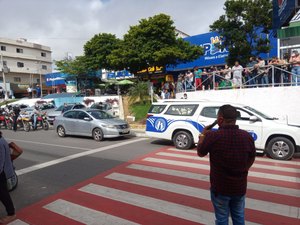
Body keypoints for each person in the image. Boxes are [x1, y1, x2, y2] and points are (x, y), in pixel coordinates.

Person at [197, 104, 256, 225]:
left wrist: (203, 135)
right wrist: (244, 169)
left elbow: (200, 152)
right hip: (239, 187)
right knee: (239, 217)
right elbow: (252, 157)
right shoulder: (246, 136)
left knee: (222, 219)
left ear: (219, 120)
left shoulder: (213, 136)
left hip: (220, 188)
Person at [0, 132, 16, 223]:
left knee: (3, 194)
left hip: (2, 173)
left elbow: (0, 164)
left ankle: (11, 214)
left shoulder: (0, 142)